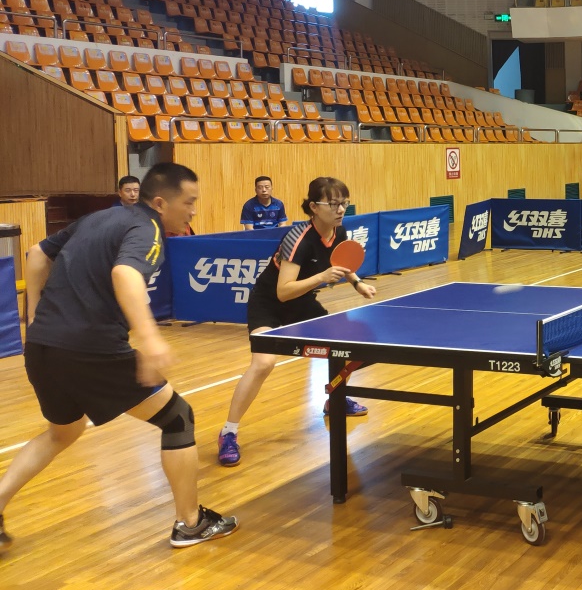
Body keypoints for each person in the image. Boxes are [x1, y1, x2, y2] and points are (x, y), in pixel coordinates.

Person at [0, 163, 237, 553]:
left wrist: (35, 317)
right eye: (189, 202)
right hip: (90, 346)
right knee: (178, 417)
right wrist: (150, 337)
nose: (193, 211)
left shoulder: (98, 218)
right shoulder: (149, 230)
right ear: (160, 203)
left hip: (43, 346)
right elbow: (125, 274)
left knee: (63, 432)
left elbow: (37, 253)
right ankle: (190, 523)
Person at [218, 177, 376, 467]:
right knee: (263, 363)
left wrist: (357, 283)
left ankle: (335, 398)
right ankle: (228, 432)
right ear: (314, 207)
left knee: (348, 344)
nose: (341, 209)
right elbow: (283, 291)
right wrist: (320, 277)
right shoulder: (298, 238)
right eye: (334, 204)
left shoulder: (339, 231)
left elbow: (341, 261)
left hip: (302, 304)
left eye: (344, 203)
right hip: (269, 304)